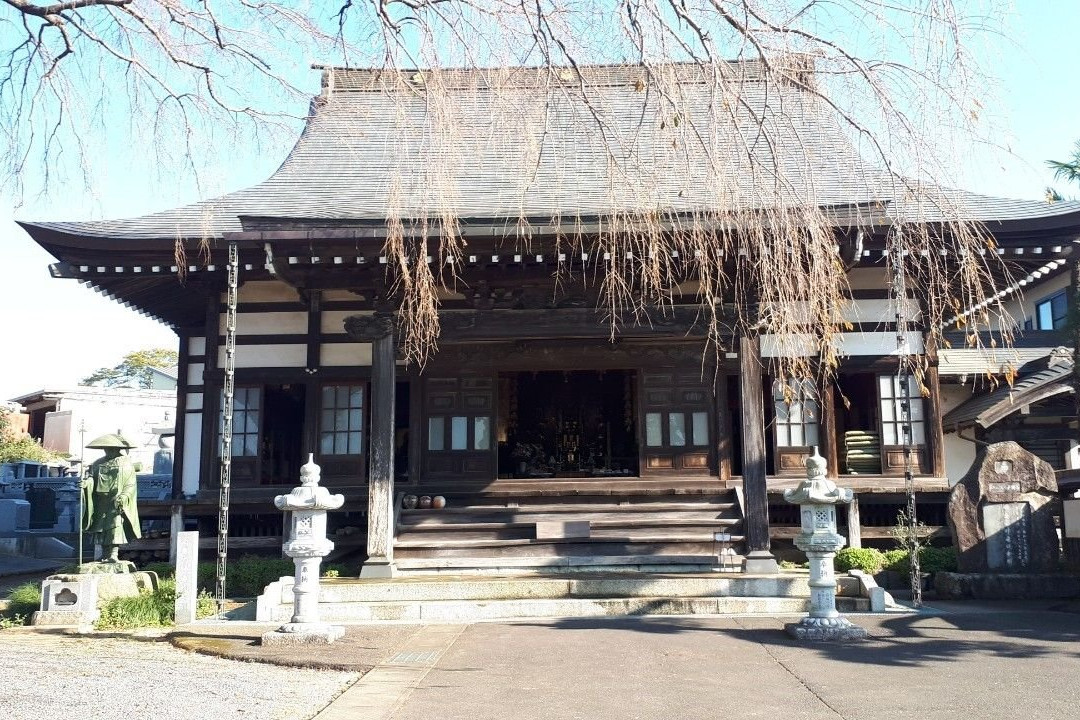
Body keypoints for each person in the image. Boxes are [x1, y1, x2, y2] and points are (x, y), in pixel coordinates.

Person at [82, 433, 141, 562]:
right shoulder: (98, 463)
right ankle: (104, 554)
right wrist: (87, 483)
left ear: (117, 448)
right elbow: (92, 478)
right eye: (106, 448)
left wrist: (124, 496)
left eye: (110, 448)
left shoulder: (125, 463)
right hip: (100, 501)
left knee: (115, 526)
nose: (107, 451)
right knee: (100, 527)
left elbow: (130, 483)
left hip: (116, 500)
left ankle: (114, 554)